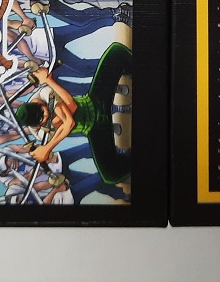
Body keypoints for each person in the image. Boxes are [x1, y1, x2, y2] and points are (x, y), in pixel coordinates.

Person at [15, 43, 132, 186]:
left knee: (116, 53)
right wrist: (49, 142)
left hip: (95, 100)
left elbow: (71, 113)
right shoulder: (40, 134)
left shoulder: (44, 93)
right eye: (41, 119)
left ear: (37, 102)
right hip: (94, 128)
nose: (45, 115)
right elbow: (67, 121)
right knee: (111, 175)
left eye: (41, 109)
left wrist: (48, 80)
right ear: (37, 125)